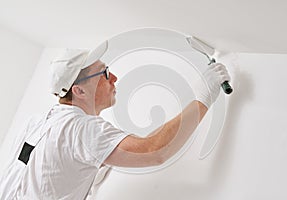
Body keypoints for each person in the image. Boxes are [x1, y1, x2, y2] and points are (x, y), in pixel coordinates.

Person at [0, 41, 231, 199]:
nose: (115, 78)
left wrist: (94, 161)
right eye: (105, 73)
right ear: (79, 91)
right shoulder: (80, 128)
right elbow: (154, 151)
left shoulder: (36, 123)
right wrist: (204, 96)